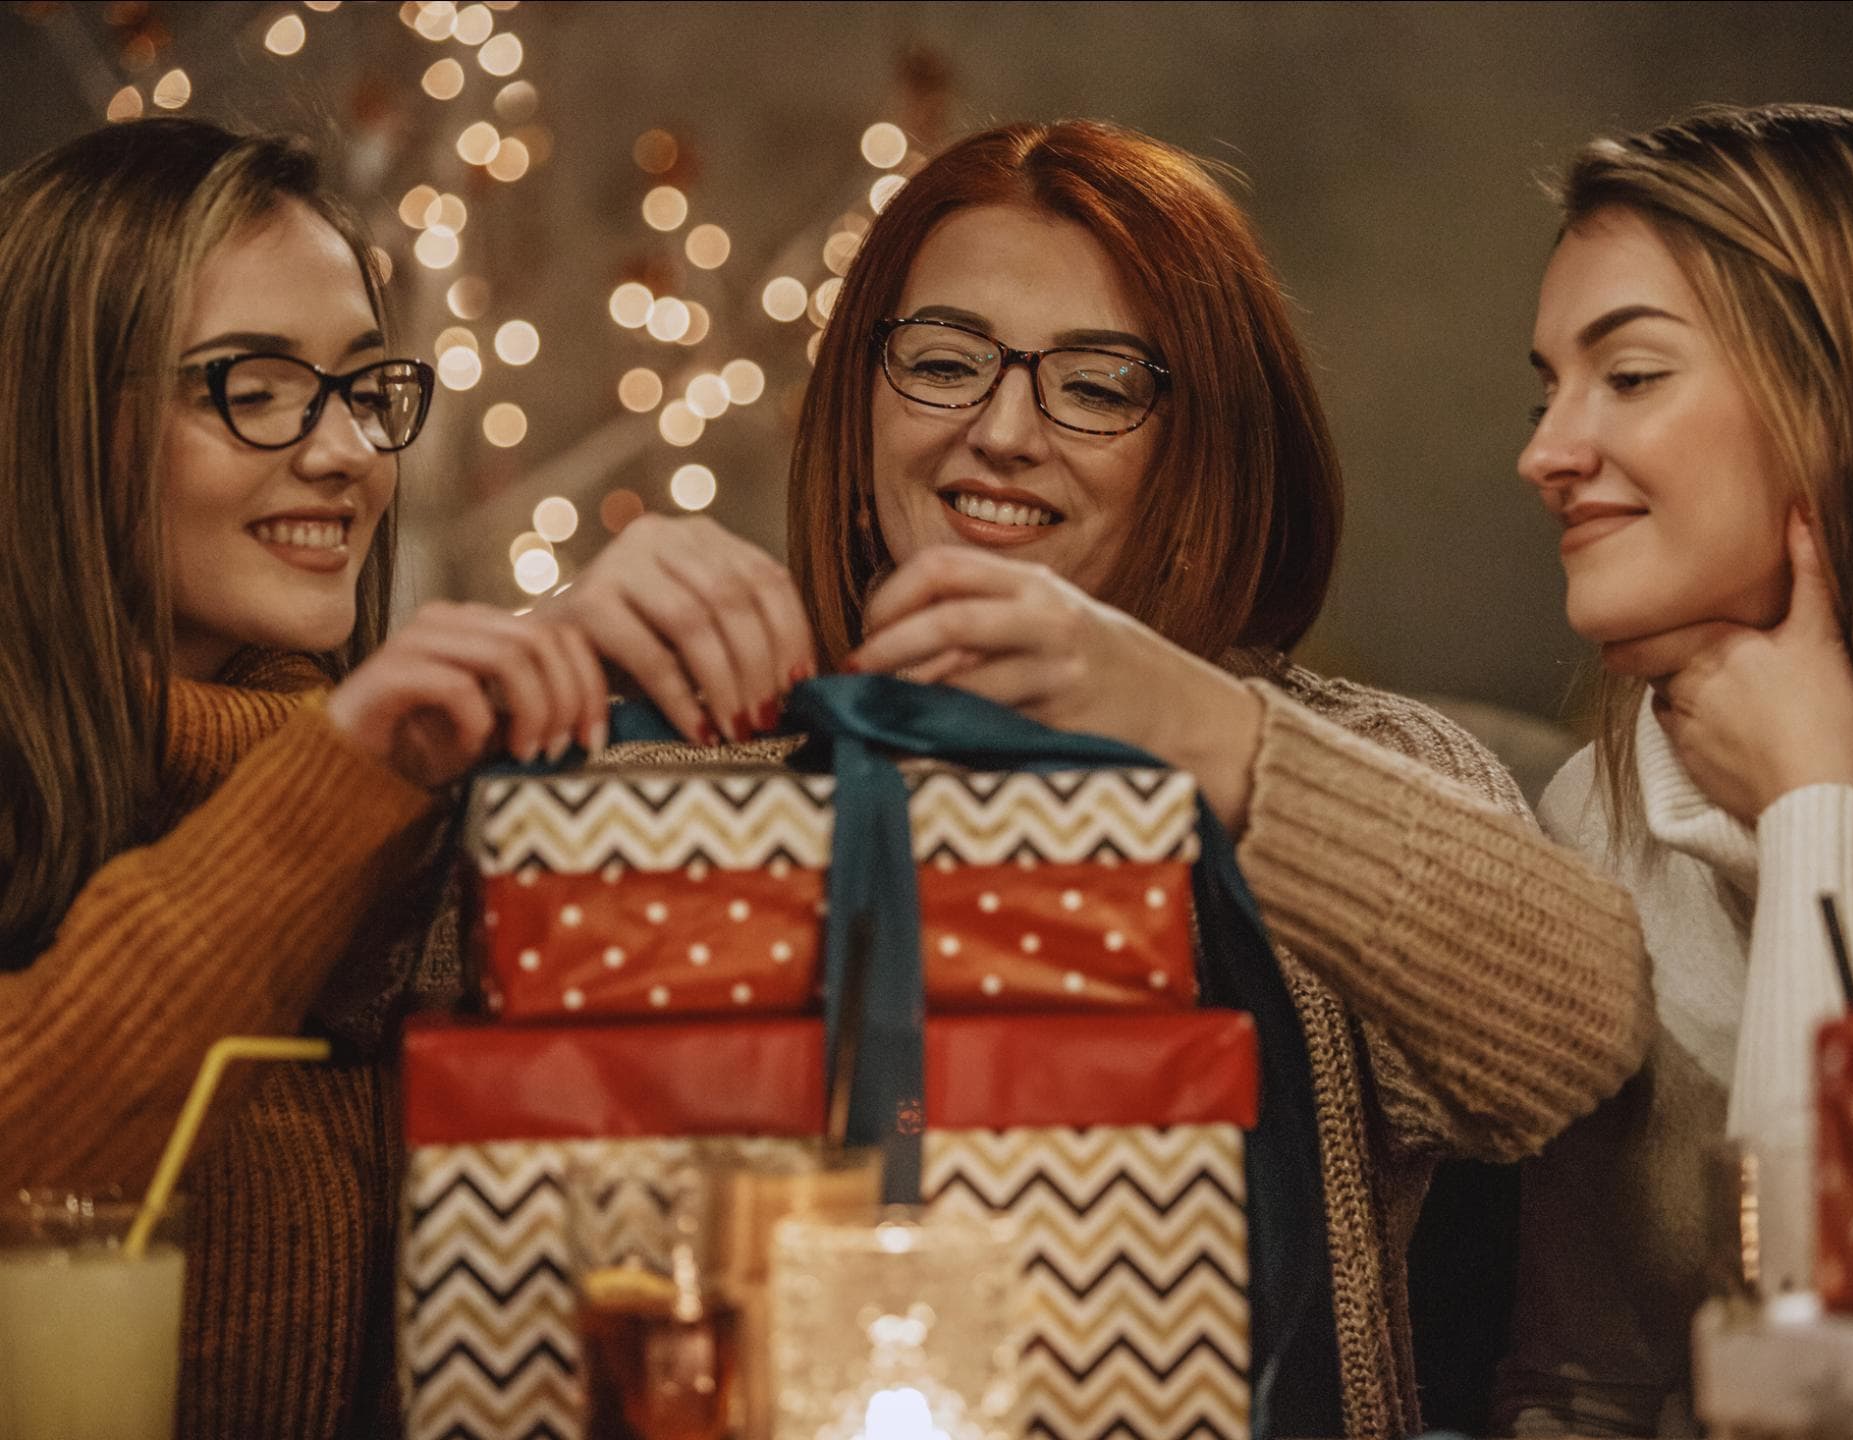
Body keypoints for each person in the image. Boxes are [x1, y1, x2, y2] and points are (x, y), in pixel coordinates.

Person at [550, 118, 1652, 1438]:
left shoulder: (1350, 763)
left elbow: (1573, 1031)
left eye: (1097, 383)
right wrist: (539, 673)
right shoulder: (699, 768)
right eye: (945, 364)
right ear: (862, 399)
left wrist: (1194, 719)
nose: (1003, 430)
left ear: (1208, 438)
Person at [0, 118, 605, 1438]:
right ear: (52, 415)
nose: (345, 453)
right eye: (252, 386)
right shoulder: (339, 795)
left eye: (360, 387)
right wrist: (333, 781)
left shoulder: (402, 812)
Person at [1493, 102, 1853, 1436]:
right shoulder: (1604, 815)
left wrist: (1815, 815)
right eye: (1547, 386)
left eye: (1628, 376)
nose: (1547, 452)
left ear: (1840, 397)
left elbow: (1834, 1375)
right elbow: (1578, 1389)